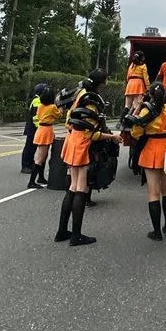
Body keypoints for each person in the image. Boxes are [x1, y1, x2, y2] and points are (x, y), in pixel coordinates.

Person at [55, 69, 121, 246]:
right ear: (101, 83)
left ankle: (62, 231)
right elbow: (92, 134)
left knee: (72, 187)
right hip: (81, 144)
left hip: (71, 140)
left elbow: (70, 119)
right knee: (81, 188)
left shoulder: (79, 93)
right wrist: (113, 136)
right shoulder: (91, 101)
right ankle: (76, 235)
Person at [125, 84, 166, 240]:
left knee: (153, 193)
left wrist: (136, 108)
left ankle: (156, 232)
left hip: (151, 150)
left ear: (151, 96)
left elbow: (135, 132)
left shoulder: (146, 111)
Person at [27, 86, 62, 189]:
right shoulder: (52, 107)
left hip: (41, 130)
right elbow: (59, 116)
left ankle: (41, 177)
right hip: (46, 131)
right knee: (40, 158)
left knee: (44, 156)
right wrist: (60, 107)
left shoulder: (41, 106)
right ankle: (31, 182)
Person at [22, 84, 45, 173]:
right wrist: (40, 127)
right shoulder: (37, 100)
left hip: (34, 127)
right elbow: (35, 116)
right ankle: (25, 166)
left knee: (32, 147)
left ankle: (30, 164)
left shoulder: (37, 99)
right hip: (33, 128)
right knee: (29, 147)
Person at [124, 51, 150, 117]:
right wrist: (148, 88)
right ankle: (132, 122)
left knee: (127, 106)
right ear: (142, 58)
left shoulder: (131, 65)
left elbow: (127, 76)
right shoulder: (143, 66)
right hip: (138, 85)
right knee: (137, 105)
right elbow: (146, 78)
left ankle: (122, 121)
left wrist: (129, 83)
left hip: (130, 84)